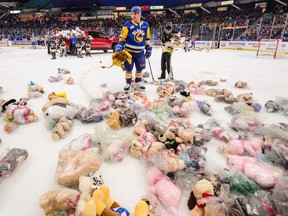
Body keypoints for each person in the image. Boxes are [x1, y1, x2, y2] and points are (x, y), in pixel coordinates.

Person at [115, 6, 152, 91]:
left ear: (140, 14)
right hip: (129, 53)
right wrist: (119, 46)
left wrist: (149, 49)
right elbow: (122, 38)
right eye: (132, 14)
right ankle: (128, 83)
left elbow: (147, 39)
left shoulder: (146, 25)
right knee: (128, 69)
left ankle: (138, 83)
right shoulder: (127, 24)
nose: (133, 15)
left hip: (140, 53)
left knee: (139, 69)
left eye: (135, 13)